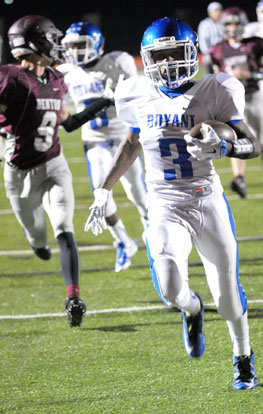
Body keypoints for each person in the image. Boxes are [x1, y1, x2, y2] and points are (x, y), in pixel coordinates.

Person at [85, 17, 260, 389]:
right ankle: (192, 308)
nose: (166, 64)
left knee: (228, 298)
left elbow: (253, 144)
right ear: (146, 59)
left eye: (173, 53)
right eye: (158, 56)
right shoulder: (134, 92)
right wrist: (104, 188)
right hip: (163, 202)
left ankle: (242, 356)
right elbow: (132, 142)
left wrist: (224, 147)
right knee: (168, 287)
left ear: (191, 52)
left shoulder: (217, 88)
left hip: (205, 198)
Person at [1, 15, 114, 327]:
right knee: (37, 236)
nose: (57, 44)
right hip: (19, 173)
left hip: (54, 165)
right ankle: (39, 245)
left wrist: (105, 101)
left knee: (65, 228)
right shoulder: (8, 78)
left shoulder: (55, 77)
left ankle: (73, 296)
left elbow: (69, 122)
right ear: (35, 42)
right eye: (51, 38)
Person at [58, 22, 148, 273]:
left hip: (125, 139)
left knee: (139, 193)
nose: (75, 51)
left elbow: (138, 98)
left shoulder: (117, 62)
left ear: (96, 44)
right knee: (101, 196)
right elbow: (65, 116)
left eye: (80, 45)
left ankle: (150, 231)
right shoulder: (66, 73)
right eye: (71, 46)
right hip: (95, 140)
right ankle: (123, 241)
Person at [209, 6, 263, 198]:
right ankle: (239, 179)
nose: (231, 27)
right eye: (228, 24)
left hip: (254, 96)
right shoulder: (217, 49)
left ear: (242, 24)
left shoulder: (255, 44)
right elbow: (212, 77)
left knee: (261, 140)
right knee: (238, 138)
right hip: (232, 101)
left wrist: (250, 74)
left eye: (235, 23)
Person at [197, 2, 223, 73]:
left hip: (223, 52)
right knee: (208, 61)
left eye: (219, 10)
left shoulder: (224, 22)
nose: (218, 13)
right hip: (210, 53)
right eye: (215, 11)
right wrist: (209, 54)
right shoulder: (205, 24)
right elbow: (203, 42)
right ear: (210, 12)